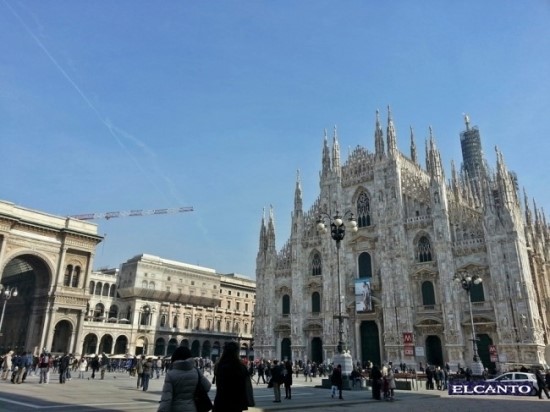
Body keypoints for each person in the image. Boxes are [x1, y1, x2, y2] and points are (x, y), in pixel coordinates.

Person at [157, 346, 211, 412]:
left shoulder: (170, 374)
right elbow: (207, 386)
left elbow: (166, 398)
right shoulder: (196, 371)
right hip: (192, 408)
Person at [213, 341, 249, 411]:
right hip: (236, 402)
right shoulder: (241, 367)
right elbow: (246, 386)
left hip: (221, 401)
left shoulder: (219, 366)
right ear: (236, 352)